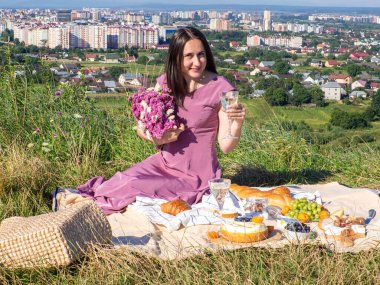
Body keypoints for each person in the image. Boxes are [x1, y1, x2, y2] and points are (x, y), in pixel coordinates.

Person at [77, 27, 246, 215]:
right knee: (122, 181)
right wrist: (159, 139)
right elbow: (141, 128)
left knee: (132, 188)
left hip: (196, 175)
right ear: (176, 58)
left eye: (201, 55)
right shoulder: (165, 83)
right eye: (189, 56)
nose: (197, 62)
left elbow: (226, 146)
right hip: (162, 164)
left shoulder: (224, 89)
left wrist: (237, 124)